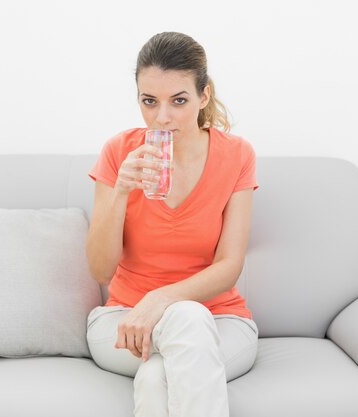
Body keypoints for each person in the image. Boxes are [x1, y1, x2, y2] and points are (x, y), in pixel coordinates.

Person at [86, 31, 259, 417]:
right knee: (183, 330)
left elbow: (229, 266)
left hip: (220, 320)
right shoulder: (118, 152)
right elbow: (100, 269)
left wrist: (160, 299)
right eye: (149, 102)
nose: (162, 117)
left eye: (179, 101)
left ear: (204, 96)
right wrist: (120, 194)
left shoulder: (237, 155)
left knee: (157, 374)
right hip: (123, 319)